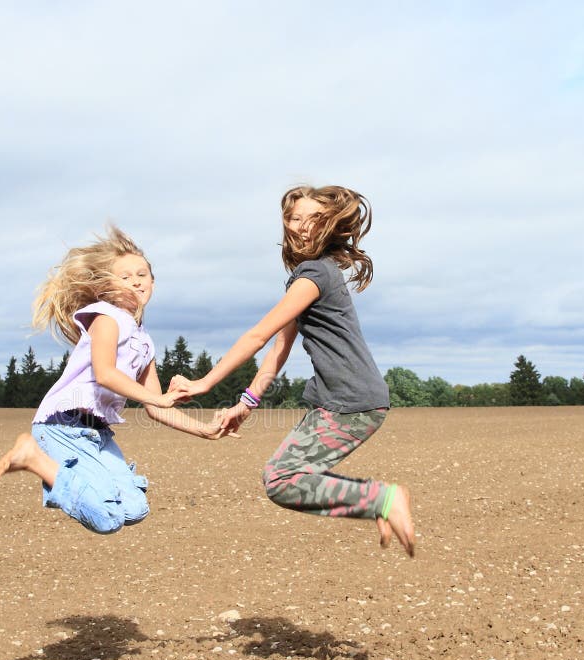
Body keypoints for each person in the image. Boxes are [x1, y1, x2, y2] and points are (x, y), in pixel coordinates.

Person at [171, 185, 416, 556]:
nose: (302, 227)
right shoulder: (311, 275)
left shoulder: (314, 275)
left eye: (314, 219)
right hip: (341, 400)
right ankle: (377, 501)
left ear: (331, 224)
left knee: (280, 479)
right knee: (285, 476)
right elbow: (278, 350)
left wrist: (203, 382)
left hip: (351, 402)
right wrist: (246, 403)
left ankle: (381, 498)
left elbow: (257, 335)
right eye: (294, 219)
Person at [0, 226, 228, 534]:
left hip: (96, 433)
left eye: (142, 274)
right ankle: (34, 458)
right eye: (124, 277)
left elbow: (155, 407)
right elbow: (105, 374)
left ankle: (59, 474)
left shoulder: (145, 342)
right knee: (106, 519)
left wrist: (205, 430)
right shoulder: (106, 318)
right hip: (61, 425)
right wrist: (158, 397)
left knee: (135, 509)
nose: (135, 281)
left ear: (153, 282)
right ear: (106, 288)